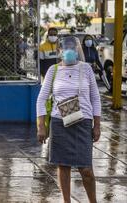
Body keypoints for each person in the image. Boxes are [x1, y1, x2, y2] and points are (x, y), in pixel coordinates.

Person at [36, 36, 101, 203]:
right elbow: (41, 99)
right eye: (66, 49)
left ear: (77, 50)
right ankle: (66, 201)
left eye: (73, 48)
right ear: (60, 51)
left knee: (86, 169)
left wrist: (97, 125)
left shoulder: (86, 69)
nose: (70, 52)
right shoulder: (54, 70)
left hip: (83, 122)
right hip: (60, 122)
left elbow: (95, 98)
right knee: (63, 165)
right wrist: (41, 126)